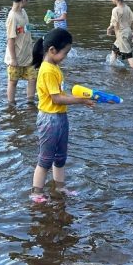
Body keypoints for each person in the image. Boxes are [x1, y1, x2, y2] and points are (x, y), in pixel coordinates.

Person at [30, 28, 94, 203]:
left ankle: (59, 186)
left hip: (59, 117)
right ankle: (36, 192)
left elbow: (61, 94)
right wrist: (81, 100)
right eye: (64, 53)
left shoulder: (54, 67)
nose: (65, 57)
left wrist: (81, 97)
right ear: (52, 50)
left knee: (60, 157)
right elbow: (57, 98)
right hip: (49, 119)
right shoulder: (47, 70)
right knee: (45, 159)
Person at [5, 0, 36, 105]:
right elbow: (10, 39)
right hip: (16, 57)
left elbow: (24, 29)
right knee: (13, 81)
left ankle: (30, 102)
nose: (28, 2)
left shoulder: (23, 12)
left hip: (27, 54)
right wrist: (13, 59)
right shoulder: (12, 17)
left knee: (32, 78)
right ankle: (11, 104)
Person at [106, 0, 133, 69]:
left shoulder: (115, 10)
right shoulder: (127, 7)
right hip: (128, 32)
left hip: (122, 34)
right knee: (114, 49)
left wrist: (109, 29)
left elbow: (114, 23)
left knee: (128, 54)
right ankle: (112, 66)